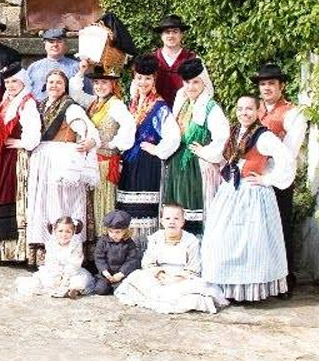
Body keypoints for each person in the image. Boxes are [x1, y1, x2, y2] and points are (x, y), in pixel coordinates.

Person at [201, 95, 296, 302]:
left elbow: (286, 160)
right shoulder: (234, 132)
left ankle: (250, 289)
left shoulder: (263, 136)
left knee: (251, 242)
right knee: (223, 240)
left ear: (257, 111)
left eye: (249, 109)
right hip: (230, 192)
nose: (244, 113)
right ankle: (229, 287)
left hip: (252, 193)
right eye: (240, 108)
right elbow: (221, 155)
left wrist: (268, 178)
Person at [26, 69, 100, 260]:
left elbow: (86, 129)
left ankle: (69, 250)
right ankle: (47, 250)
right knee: (44, 203)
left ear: (65, 85)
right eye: (51, 82)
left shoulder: (70, 107)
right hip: (43, 157)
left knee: (63, 203)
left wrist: (90, 140)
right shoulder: (41, 106)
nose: (54, 86)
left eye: (59, 82)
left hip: (62, 158)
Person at [114, 203, 227, 314]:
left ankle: (170, 298)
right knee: (136, 278)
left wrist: (177, 279)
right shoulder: (156, 238)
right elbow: (148, 263)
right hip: (159, 276)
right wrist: (160, 275)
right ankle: (159, 295)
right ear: (162, 221)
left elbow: (193, 268)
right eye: (167, 218)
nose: (172, 222)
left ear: (183, 222)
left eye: (176, 218)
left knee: (196, 291)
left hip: (182, 278)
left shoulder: (191, 241)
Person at [116, 54, 181, 246]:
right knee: (127, 206)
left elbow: (173, 135)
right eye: (139, 78)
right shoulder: (132, 103)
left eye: (147, 78)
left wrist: (158, 150)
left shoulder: (160, 107)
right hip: (129, 160)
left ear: (154, 80)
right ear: (134, 79)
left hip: (147, 162)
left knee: (145, 209)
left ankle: (146, 248)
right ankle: (128, 248)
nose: (143, 82)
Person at [254, 62, 307, 294]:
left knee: (281, 225)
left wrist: (273, 173)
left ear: (281, 86)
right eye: (263, 84)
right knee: (259, 226)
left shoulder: (292, 113)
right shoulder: (256, 110)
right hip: (256, 176)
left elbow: (289, 151)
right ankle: (264, 275)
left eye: (271, 83)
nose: (267, 88)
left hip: (278, 177)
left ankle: (286, 277)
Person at [161, 58, 229, 235]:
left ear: (203, 83)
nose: (191, 87)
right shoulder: (181, 103)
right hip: (178, 165)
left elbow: (222, 138)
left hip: (198, 167)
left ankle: (198, 252)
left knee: (196, 206)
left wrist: (206, 152)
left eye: (196, 82)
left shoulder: (211, 108)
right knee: (178, 209)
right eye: (187, 82)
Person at [69, 63, 135, 239]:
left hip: (104, 163)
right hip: (91, 161)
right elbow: (75, 93)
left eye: (104, 83)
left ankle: (105, 243)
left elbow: (129, 126)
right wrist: (82, 71)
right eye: (97, 83)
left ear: (113, 85)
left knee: (102, 203)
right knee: (90, 204)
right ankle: (92, 247)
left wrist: (112, 144)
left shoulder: (116, 105)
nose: (99, 86)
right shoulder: (94, 102)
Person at [0, 63, 41, 264]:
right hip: (2, 158)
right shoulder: (6, 101)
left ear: (23, 82)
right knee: (2, 197)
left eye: (14, 81)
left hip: (16, 158)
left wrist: (22, 142)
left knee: (17, 197)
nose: (10, 85)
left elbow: (34, 132)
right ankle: (5, 251)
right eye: (8, 82)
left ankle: (21, 251)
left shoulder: (27, 103)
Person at [15, 217, 93, 298]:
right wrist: (58, 277)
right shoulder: (51, 244)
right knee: (47, 282)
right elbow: (51, 262)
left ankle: (73, 290)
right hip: (54, 271)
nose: (64, 234)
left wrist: (65, 278)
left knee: (80, 280)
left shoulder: (75, 244)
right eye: (60, 231)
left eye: (68, 232)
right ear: (55, 231)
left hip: (72, 271)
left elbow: (75, 263)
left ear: (73, 232)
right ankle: (62, 290)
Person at [90, 210, 141, 295]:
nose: (114, 235)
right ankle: (109, 286)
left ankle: (117, 287)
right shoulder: (103, 242)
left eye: (117, 232)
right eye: (111, 231)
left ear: (125, 231)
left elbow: (132, 260)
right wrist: (105, 272)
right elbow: (99, 258)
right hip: (107, 274)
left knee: (124, 290)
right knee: (100, 289)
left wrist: (121, 274)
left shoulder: (129, 243)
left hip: (122, 274)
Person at [151, 15, 197, 107]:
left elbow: (207, 88)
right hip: (157, 114)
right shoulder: (152, 60)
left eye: (175, 32)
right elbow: (138, 87)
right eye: (167, 32)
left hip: (185, 114)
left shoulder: (192, 59)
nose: (171, 36)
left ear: (181, 35)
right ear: (161, 36)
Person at [27, 28, 81, 103]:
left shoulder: (76, 67)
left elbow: (87, 92)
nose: (55, 45)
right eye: (51, 42)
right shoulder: (34, 67)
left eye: (59, 41)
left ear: (65, 44)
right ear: (45, 44)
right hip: (37, 110)